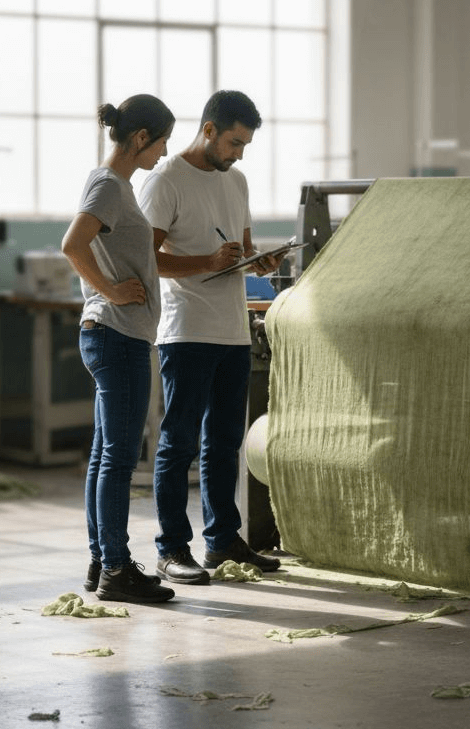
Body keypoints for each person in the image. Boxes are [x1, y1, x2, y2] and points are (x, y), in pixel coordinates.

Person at [139, 89, 284, 585]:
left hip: (232, 330)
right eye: (234, 142)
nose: (239, 153)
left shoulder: (236, 181)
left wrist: (260, 260)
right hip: (186, 331)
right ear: (208, 130)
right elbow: (147, 260)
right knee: (178, 443)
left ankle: (222, 542)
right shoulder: (165, 181)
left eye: (244, 145)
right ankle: (171, 548)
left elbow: (240, 249)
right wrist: (206, 262)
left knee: (224, 443)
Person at [61, 94, 176, 604]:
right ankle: (115, 568)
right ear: (140, 138)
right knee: (119, 459)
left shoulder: (115, 185)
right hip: (116, 334)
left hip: (113, 333)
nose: (164, 154)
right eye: (162, 142)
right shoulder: (109, 184)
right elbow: (73, 244)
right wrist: (110, 290)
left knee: (105, 456)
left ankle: (100, 560)